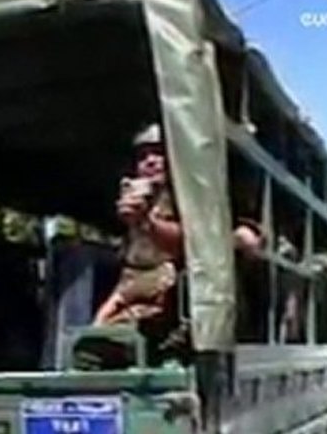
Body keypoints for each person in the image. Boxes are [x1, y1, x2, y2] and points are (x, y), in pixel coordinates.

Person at [94, 124, 264, 346]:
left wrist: (146, 222)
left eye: (159, 152)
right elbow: (130, 278)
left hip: (186, 316)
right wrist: (101, 320)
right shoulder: (141, 205)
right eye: (143, 156)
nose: (150, 161)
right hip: (142, 313)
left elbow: (193, 243)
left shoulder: (197, 196)